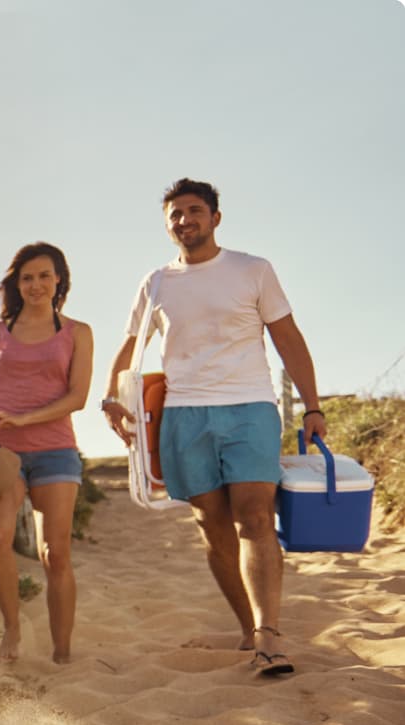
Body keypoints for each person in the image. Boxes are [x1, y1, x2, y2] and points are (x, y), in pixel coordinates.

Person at [100, 178, 327, 678]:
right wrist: (111, 398)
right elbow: (130, 346)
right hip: (184, 414)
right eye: (175, 214)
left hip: (250, 408)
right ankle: (249, 626)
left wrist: (313, 406)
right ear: (167, 225)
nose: (185, 220)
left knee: (255, 517)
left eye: (194, 211)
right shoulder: (156, 282)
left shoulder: (253, 270)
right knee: (212, 525)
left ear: (215, 218)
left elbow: (288, 338)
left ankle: (268, 633)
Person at [0, 242, 95, 663]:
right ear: (16, 284)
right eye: (27, 278)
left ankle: (62, 651)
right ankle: (12, 628)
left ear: (59, 280)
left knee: (54, 553)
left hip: (55, 450)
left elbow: (78, 397)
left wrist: (26, 419)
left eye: (43, 276)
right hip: (0, 453)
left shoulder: (77, 332)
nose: (35, 284)